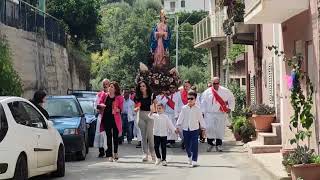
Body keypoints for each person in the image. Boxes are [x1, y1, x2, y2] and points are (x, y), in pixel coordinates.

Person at [201, 77, 235, 152]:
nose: (216, 85)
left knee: (219, 129)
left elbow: (231, 99)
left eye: (217, 83)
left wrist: (230, 108)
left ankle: (218, 144)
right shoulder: (207, 92)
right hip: (209, 114)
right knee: (210, 128)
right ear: (211, 83)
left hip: (220, 113)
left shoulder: (225, 91)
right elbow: (203, 103)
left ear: (219, 83)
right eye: (214, 83)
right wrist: (202, 112)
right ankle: (210, 144)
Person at [176, 90, 206, 168]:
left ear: (195, 99)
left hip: (195, 129)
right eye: (188, 98)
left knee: (194, 145)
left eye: (191, 99)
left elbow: (201, 119)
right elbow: (180, 118)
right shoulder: (184, 108)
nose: (189, 100)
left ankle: (194, 160)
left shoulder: (197, 109)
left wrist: (203, 128)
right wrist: (177, 126)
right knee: (187, 145)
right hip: (185, 129)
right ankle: (189, 156)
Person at [98, 81, 124, 162]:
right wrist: (102, 105)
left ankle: (115, 152)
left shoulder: (119, 97)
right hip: (106, 118)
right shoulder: (104, 95)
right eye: (109, 86)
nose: (110, 88)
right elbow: (100, 103)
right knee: (108, 136)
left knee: (115, 137)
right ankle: (109, 155)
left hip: (115, 119)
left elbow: (121, 109)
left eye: (112, 87)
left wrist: (117, 109)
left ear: (115, 89)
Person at [134, 81, 156, 162]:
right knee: (143, 136)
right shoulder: (137, 96)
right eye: (140, 86)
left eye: (143, 86)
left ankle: (153, 152)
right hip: (141, 115)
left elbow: (156, 105)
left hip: (150, 115)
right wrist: (136, 109)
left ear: (146, 87)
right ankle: (145, 154)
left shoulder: (152, 95)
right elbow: (135, 107)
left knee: (150, 135)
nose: (142, 87)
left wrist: (154, 111)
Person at [174, 80, 192, 149]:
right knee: (181, 129)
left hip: (190, 114)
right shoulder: (179, 93)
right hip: (180, 114)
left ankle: (186, 141)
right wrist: (176, 115)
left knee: (189, 128)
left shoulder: (192, 93)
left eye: (187, 86)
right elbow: (176, 105)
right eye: (184, 86)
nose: (186, 87)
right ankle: (184, 139)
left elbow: (197, 103)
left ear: (190, 86)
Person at [94, 79, 109, 157]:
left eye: (106, 84)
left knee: (108, 135)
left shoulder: (111, 94)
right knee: (100, 134)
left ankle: (108, 151)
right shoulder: (99, 94)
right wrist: (99, 108)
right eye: (104, 84)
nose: (105, 85)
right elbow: (95, 105)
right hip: (101, 116)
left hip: (109, 117)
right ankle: (101, 151)